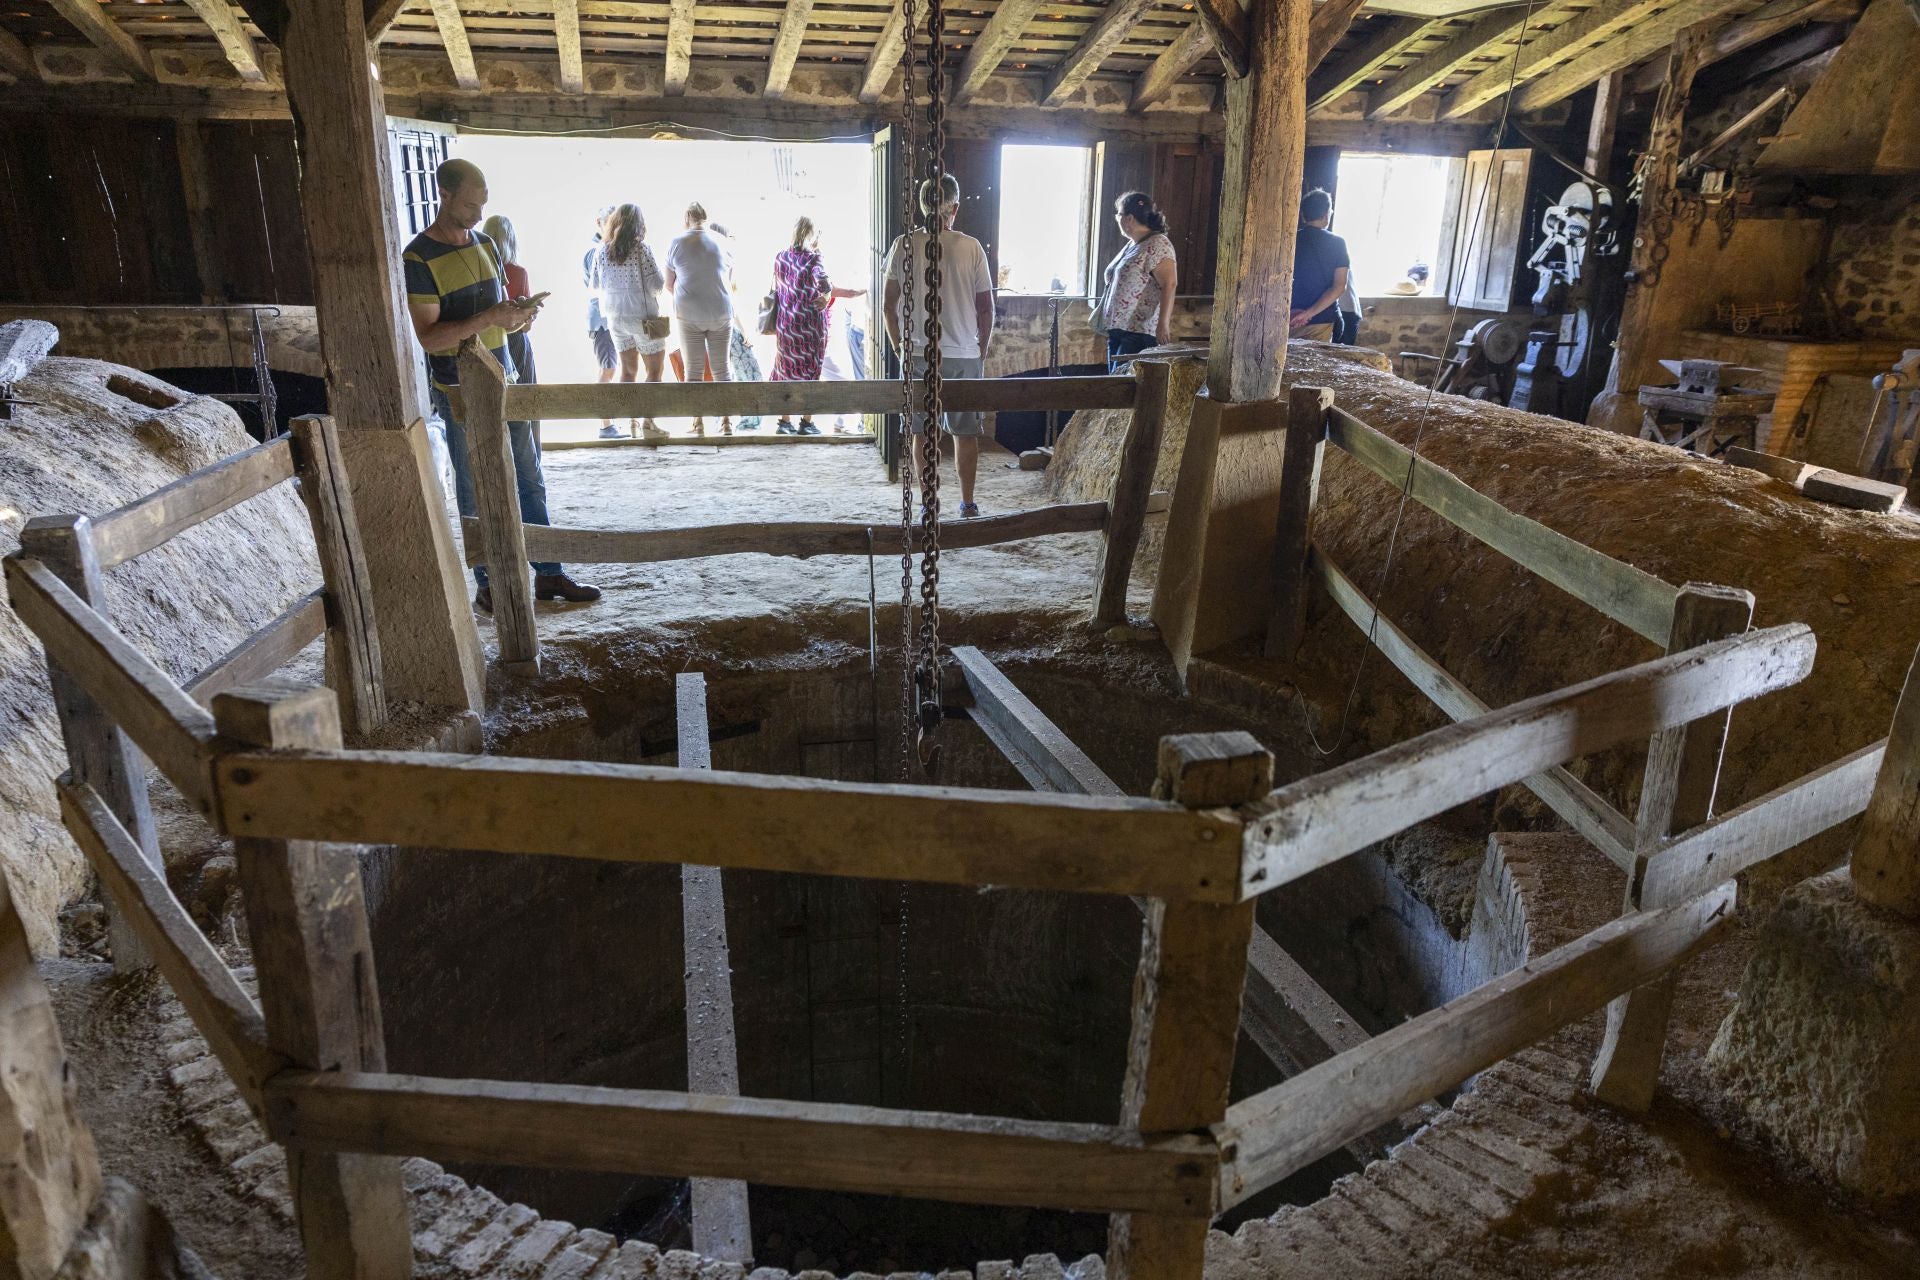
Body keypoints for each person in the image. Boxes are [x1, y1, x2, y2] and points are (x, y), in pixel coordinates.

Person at [404, 158, 599, 612]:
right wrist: (491, 318)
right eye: (469, 203)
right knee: (474, 487)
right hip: (460, 390)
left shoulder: (487, 243)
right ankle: (488, 582)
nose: (476, 212)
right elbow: (431, 337)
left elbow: (497, 318)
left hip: (506, 379)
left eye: (482, 204)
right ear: (445, 194)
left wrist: (517, 318)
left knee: (530, 479)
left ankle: (549, 574)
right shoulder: (418, 258)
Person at [881, 174, 995, 518]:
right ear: (954, 208)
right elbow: (986, 307)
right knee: (965, 432)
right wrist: (982, 349)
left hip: (918, 353)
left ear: (921, 204)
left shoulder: (902, 245)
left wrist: (899, 347)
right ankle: (968, 501)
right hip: (963, 353)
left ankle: (929, 502)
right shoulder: (971, 247)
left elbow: (888, 305)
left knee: (922, 431)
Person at [770, 216, 865, 435]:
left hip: (786, 326)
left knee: (787, 371)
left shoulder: (780, 257)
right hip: (810, 328)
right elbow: (823, 282)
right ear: (813, 236)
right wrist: (826, 295)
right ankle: (806, 422)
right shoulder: (814, 259)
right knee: (810, 374)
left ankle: (784, 423)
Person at [590, 202, 669, 440]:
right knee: (654, 371)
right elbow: (657, 284)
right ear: (639, 224)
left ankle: (631, 422)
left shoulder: (601, 251)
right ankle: (648, 422)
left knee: (628, 371)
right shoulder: (641, 250)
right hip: (644, 318)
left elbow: (594, 285)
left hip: (615, 318)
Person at [664, 202, 735, 436]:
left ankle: (698, 422)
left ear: (686, 218)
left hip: (690, 314)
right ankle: (726, 423)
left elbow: (668, 284)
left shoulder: (677, 243)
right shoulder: (720, 242)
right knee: (721, 369)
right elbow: (729, 278)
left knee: (693, 371)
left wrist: (689, 295)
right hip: (721, 312)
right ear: (705, 218)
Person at [1098, 191, 1178, 373]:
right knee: (1114, 381)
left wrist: (1163, 324)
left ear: (1129, 219)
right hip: (1119, 328)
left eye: (1118, 214)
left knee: (1123, 383)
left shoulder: (1158, 243)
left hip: (1138, 330)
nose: (1117, 219)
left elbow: (1170, 283)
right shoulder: (1134, 244)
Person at [1291, 188, 1350, 343]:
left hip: (1288, 319)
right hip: (1321, 320)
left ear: (1303, 215)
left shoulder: (1288, 241)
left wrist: (1291, 312)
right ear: (1326, 214)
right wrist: (1309, 314)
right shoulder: (1338, 243)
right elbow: (1339, 287)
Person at [583, 206, 620, 438]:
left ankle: (609, 423)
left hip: (610, 318)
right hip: (602, 321)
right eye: (611, 223)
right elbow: (599, 287)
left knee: (611, 368)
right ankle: (605, 425)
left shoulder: (607, 249)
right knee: (608, 368)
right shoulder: (594, 252)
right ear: (600, 222)